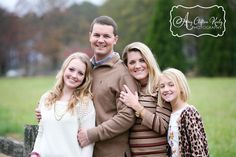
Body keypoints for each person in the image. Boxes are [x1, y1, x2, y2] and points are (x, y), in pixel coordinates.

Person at [76, 16, 138, 157]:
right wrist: (45, 107)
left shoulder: (123, 73)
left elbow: (127, 117)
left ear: (115, 39)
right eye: (96, 35)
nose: (101, 40)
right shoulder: (84, 69)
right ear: (90, 36)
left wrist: (92, 135)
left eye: (106, 36)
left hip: (111, 153)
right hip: (82, 151)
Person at [31, 52, 95, 157]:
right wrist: (35, 153)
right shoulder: (46, 98)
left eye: (80, 73)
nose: (74, 75)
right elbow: (42, 133)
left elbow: (88, 144)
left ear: (85, 78)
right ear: (64, 69)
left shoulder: (85, 104)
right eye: (71, 69)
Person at [119, 42, 172, 156]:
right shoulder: (128, 90)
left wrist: (136, 106)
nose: (137, 66)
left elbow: (162, 126)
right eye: (132, 62)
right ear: (126, 66)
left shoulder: (161, 87)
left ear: (149, 61)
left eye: (142, 60)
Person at [158, 68, 209, 157]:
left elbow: (198, 150)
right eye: (162, 86)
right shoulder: (171, 113)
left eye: (171, 85)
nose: (166, 89)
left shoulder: (188, 112)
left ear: (181, 87)